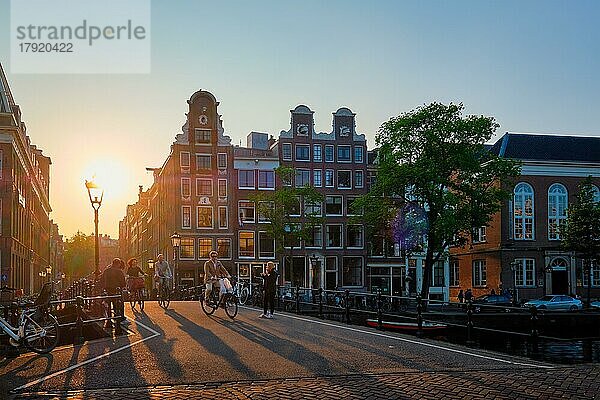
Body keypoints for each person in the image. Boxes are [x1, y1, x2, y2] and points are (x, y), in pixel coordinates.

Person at [101, 258, 126, 329]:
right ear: (118, 264)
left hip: (108, 290)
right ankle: (119, 318)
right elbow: (123, 281)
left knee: (109, 305)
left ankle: (109, 321)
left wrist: (103, 287)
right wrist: (123, 286)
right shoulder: (119, 271)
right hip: (116, 290)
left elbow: (102, 280)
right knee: (119, 304)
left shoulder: (106, 271)